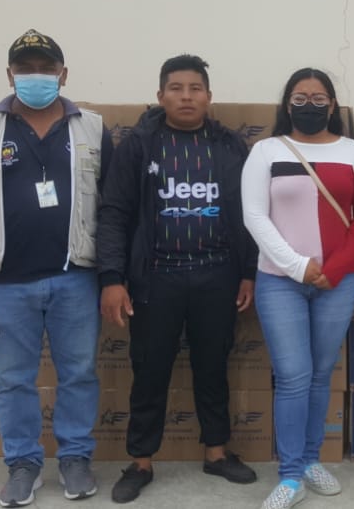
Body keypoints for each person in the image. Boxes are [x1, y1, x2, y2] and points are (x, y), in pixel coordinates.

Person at [0, 29, 113, 507]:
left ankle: (75, 458)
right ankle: (23, 464)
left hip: (76, 277)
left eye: (45, 68)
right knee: (14, 379)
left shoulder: (92, 128)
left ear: (63, 74)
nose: (35, 76)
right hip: (4, 282)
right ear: (10, 74)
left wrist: (114, 275)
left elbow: (114, 206)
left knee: (78, 373)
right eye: (25, 69)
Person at [95, 54, 259, 503]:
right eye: (176, 88)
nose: (186, 97)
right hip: (155, 279)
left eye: (195, 89)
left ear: (208, 96)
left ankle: (217, 453)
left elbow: (251, 215)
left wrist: (248, 272)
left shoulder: (230, 146)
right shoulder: (138, 146)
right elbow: (114, 214)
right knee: (149, 371)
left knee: (213, 368)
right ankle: (141, 461)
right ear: (160, 95)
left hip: (217, 275)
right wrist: (112, 277)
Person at [241, 68, 354, 509]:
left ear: (333, 105)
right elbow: (254, 217)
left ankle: (312, 458)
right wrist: (299, 267)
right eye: (300, 98)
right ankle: (291, 474)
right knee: (293, 377)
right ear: (287, 104)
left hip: (338, 282)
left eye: (319, 98)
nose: (310, 105)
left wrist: (334, 269)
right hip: (280, 282)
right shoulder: (265, 151)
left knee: (320, 374)